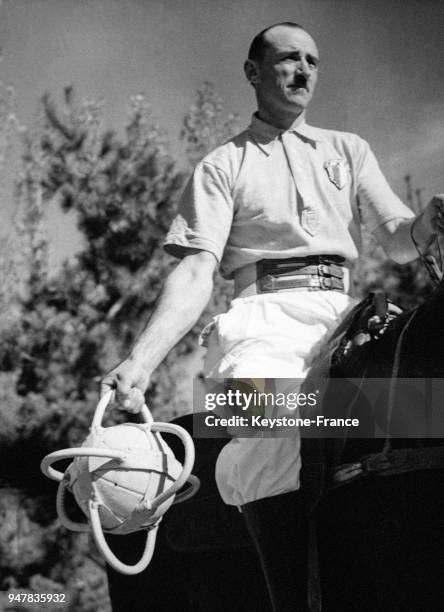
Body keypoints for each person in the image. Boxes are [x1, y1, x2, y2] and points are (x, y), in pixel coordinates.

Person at [101, 22, 444, 611]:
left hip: (346, 313)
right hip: (261, 317)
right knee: (260, 432)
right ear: (254, 73)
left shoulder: (349, 149)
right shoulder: (222, 164)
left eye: (312, 60)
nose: (304, 70)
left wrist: (425, 224)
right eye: (287, 59)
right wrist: (139, 362)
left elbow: (394, 236)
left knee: (427, 407)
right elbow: (194, 272)